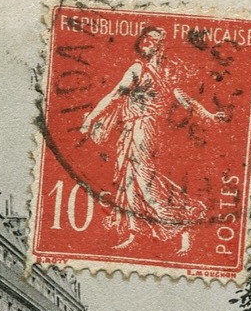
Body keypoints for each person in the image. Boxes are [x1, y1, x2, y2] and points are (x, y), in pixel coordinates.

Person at [79, 25, 225, 254]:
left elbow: (117, 95)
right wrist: (209, 115)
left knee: (143, 178)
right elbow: (118, 95)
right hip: (137, 128)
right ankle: (135, 232)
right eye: (144, 38)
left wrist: (90, 119)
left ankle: (185, 218)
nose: (145, 42)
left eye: (151, 39)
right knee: (131, 178)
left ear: (160, 46)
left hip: (142, 127)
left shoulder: (144, 71)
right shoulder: (149, 71)